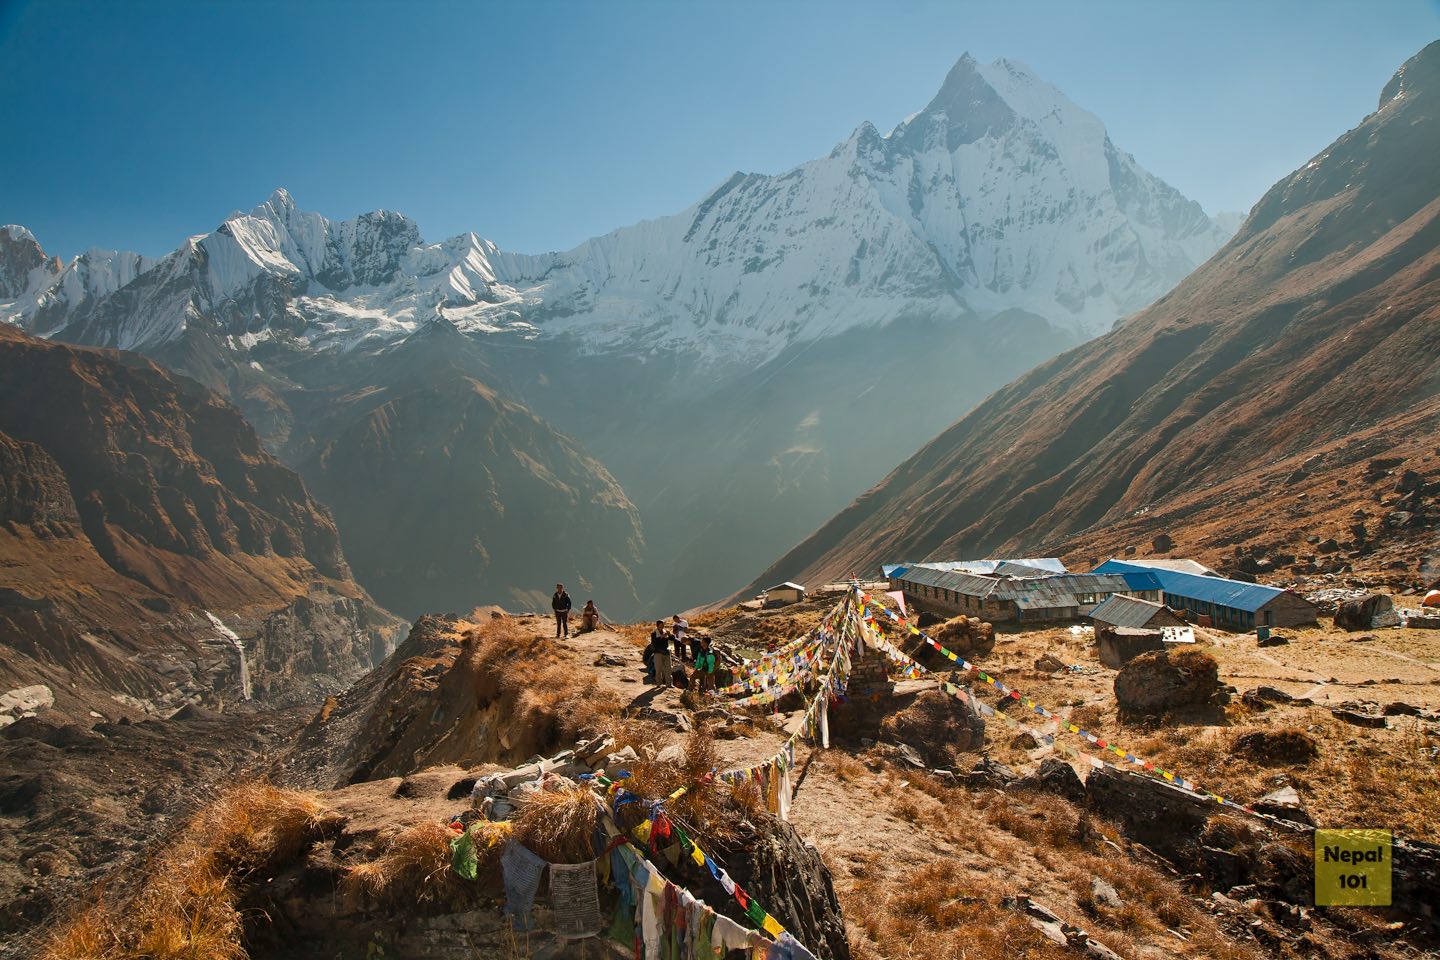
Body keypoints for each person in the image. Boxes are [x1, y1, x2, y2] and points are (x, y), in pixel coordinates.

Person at [649, 620, 673, 687]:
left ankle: (669, 684)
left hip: (667, 653)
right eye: (661, 625)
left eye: (663, 625)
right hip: (658, 653)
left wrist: (670, 635)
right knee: (658, 669)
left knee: (668, 669)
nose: (662, 626)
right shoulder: (654, 634)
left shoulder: (666, 632)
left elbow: (671, 641)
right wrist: (661, 636)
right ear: (657, 626)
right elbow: (654, 643)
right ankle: (658, 683)